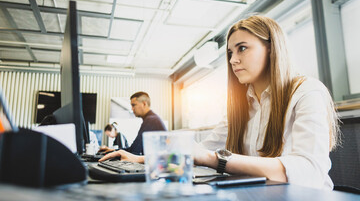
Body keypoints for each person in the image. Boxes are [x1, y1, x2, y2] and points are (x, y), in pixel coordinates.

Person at [98, 15, 340, 190]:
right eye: (230, 53)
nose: (233, 60)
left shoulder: (306, 92)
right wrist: (141, 160)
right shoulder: (241, 105)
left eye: (242, 48)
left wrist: (216, 159)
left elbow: (309, 171)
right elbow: (202, 149)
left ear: (272, 49)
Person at [99, 91, 167, 157]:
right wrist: (113, 150)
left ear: (144, 104)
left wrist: (114, 152)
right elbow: (133, 149)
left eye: (133, 105)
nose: (132, 109)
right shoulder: (151, 119)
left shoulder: (151, 120)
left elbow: (134, 151)